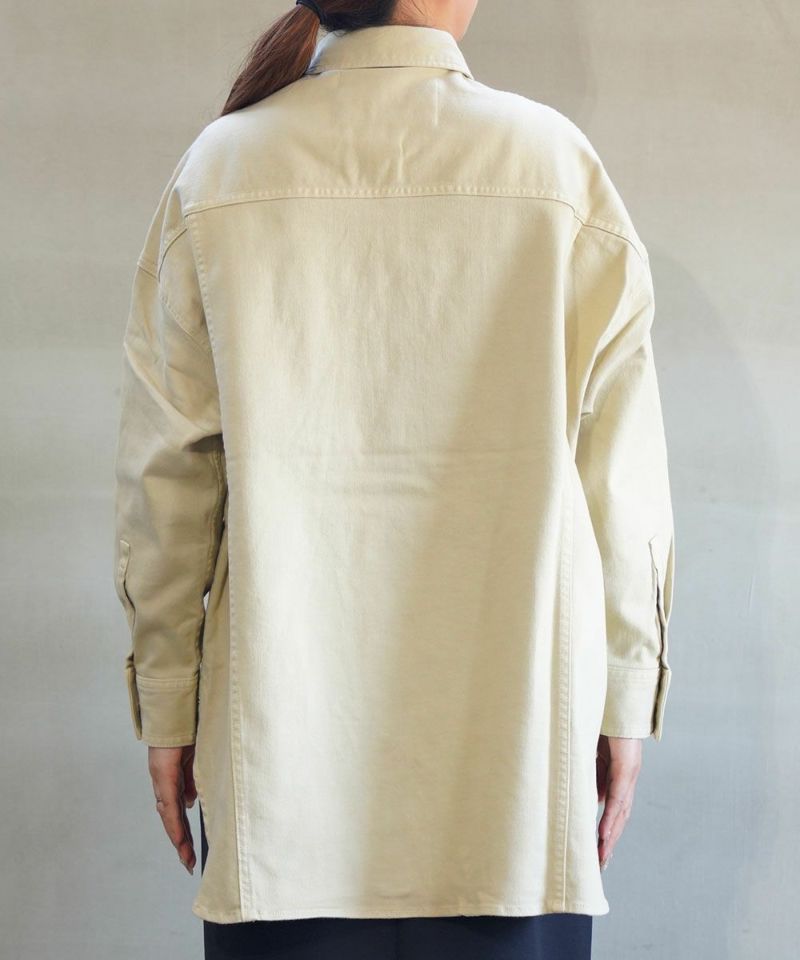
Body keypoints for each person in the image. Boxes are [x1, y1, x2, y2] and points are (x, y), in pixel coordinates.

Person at [112, 1, 676, 958]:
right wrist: (626, 693)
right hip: (510, 785)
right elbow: (621, 483)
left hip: (285, 787)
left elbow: (166, 484)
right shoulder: (556, 169)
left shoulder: (220, 170)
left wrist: (169, 705)